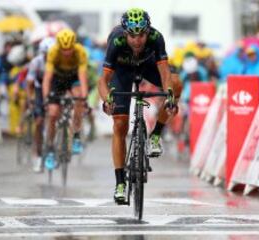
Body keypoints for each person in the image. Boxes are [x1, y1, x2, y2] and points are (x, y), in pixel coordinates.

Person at [98, 8, 182, 203]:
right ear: (125, 33)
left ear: (148, 31)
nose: (138, 40)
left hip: (148, 65)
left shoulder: (156, 38)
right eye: (133, 36)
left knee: (176, 83)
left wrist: (170, 96)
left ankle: (155, 136)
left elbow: (164, 73)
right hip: (122, 71)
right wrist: (107, 100)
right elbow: (103, 80)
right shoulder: (116, 40)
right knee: (120, 125)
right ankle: (120, 183)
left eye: (142, 35)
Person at [42, 29, 89, 169]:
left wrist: (84, 97)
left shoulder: (80, 51)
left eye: (69, 49)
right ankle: (50, 148)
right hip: (58, 79)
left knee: (79, 98)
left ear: (74, 45)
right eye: (64, 49)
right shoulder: (53, 52)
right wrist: (46, 98)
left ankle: (76, 135)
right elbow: (47, 78)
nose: (67, 52)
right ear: (59, 46)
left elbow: (82, 77)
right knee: (53, 114)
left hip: (73, 77)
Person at [26, 37, 55, 172]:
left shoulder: (57, 62)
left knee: (55, 116)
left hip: (54, 89)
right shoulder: (36, 62)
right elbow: (30, 83)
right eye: (45, 54)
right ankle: (38, 156)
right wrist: (30, 99)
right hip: (38, 90)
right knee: (39, 122)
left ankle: (53, 146)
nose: (48, 57)